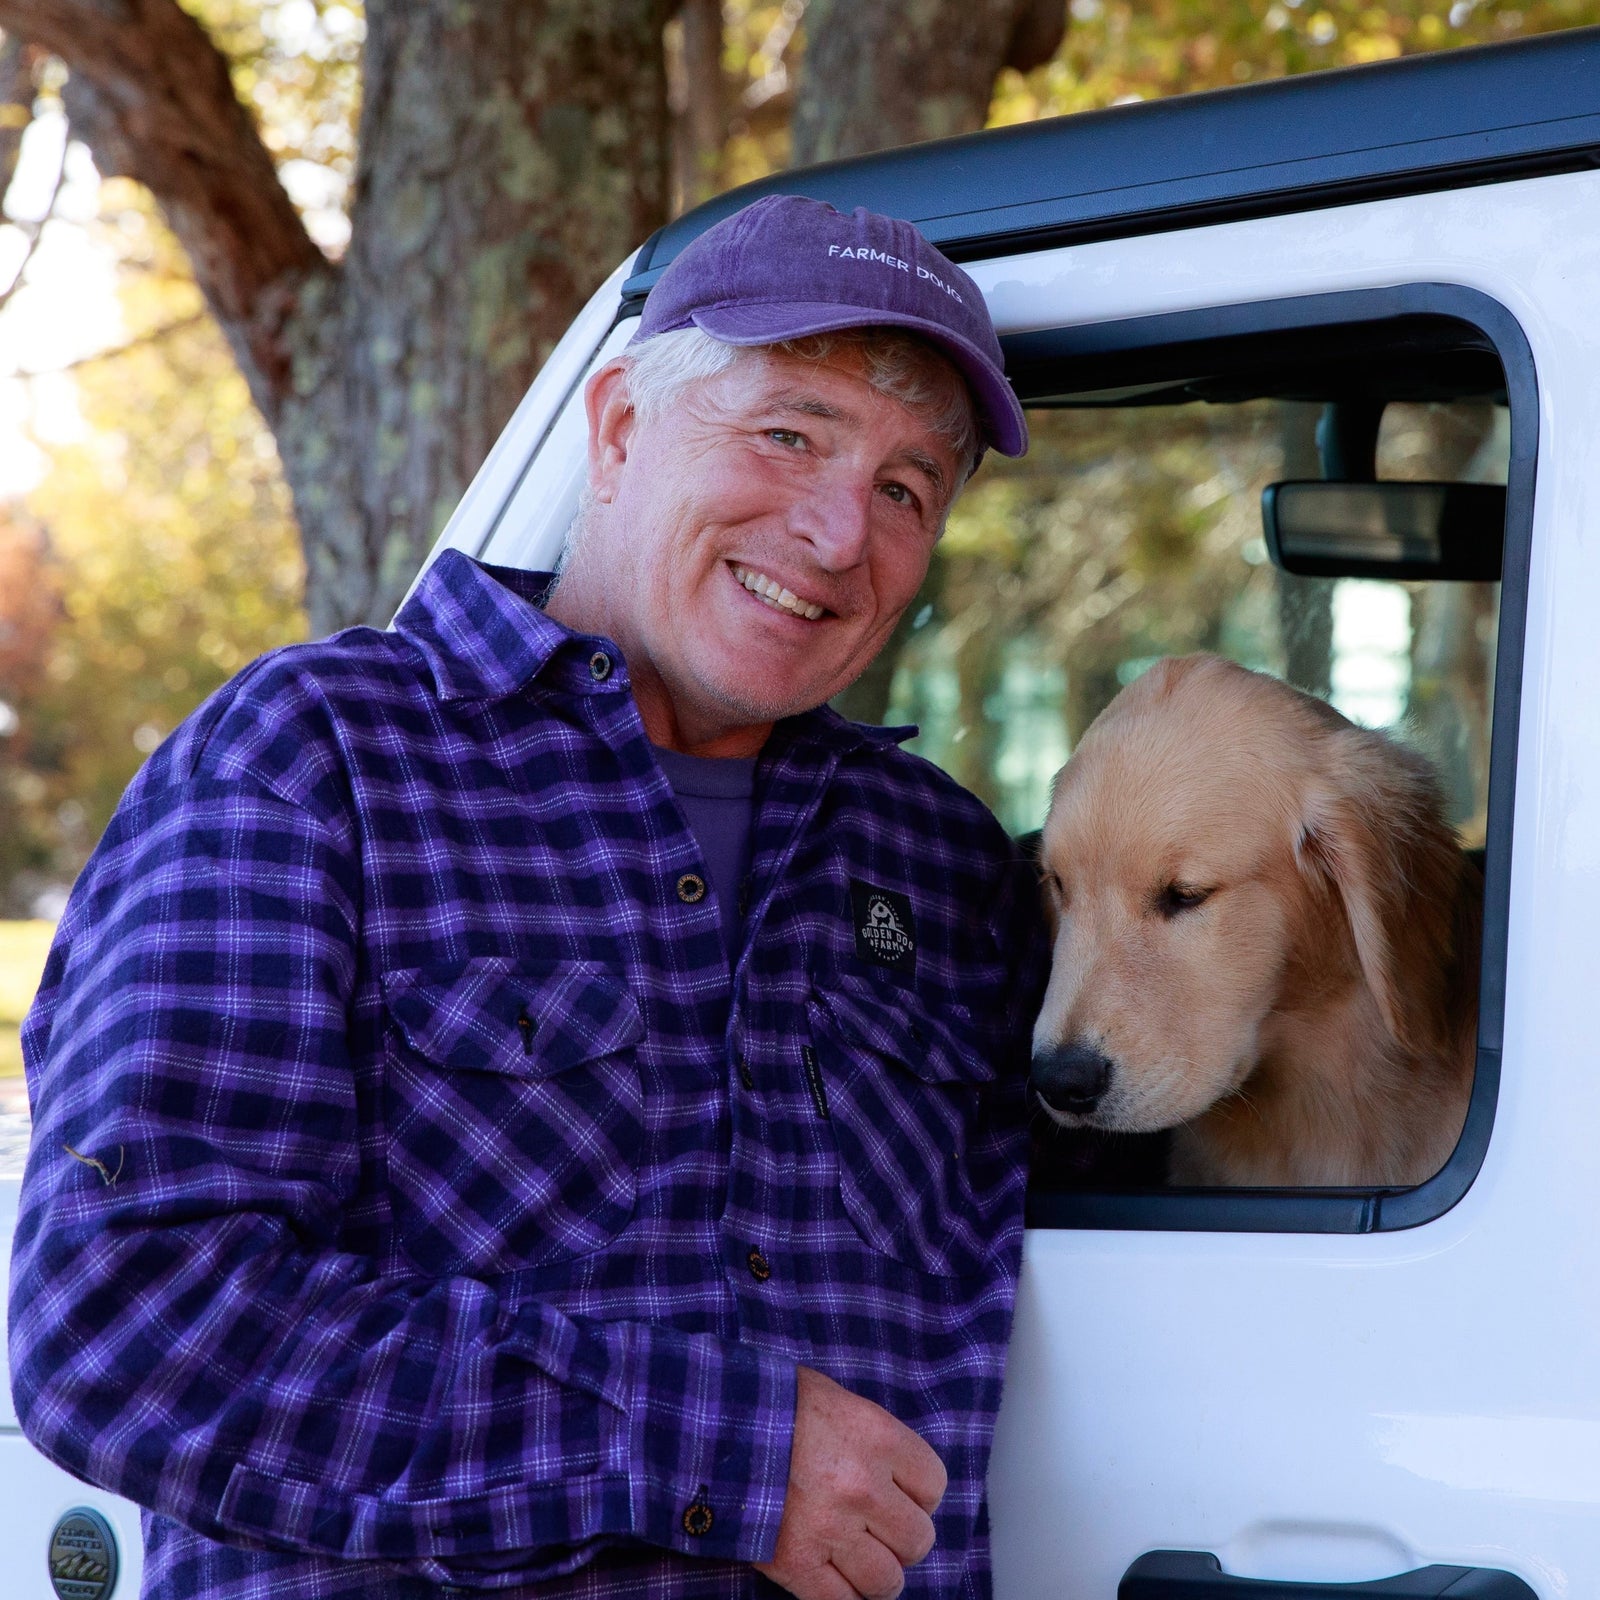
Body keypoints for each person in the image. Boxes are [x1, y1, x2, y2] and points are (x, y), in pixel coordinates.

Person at [10, 194, 1047, 1600]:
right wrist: (725, 1454)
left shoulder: (945, 867)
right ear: (617, 427)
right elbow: (128, 1326)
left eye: (906, 489)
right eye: (788, 433)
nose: (835, 531)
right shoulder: (318, 761)